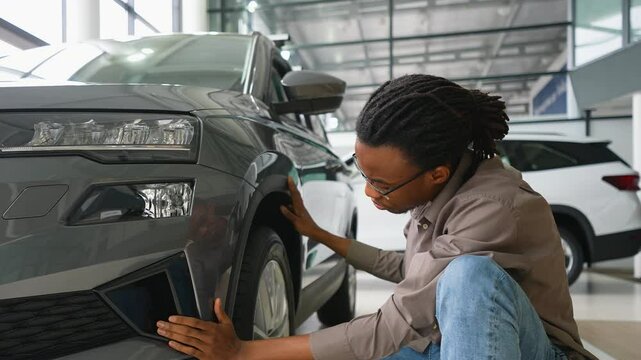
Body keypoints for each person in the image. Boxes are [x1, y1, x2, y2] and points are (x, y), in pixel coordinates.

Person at [155, 74, 596, 360]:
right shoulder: (437, 193)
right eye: (363, 173)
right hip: (452, 343)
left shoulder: (496, 207)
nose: (368, 192)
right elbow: (408, 270)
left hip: (536, 351)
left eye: (382, 185)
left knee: (468, 278)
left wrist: (245, 352)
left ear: (435, 174)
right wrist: (319, 234)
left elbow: (395, 323)